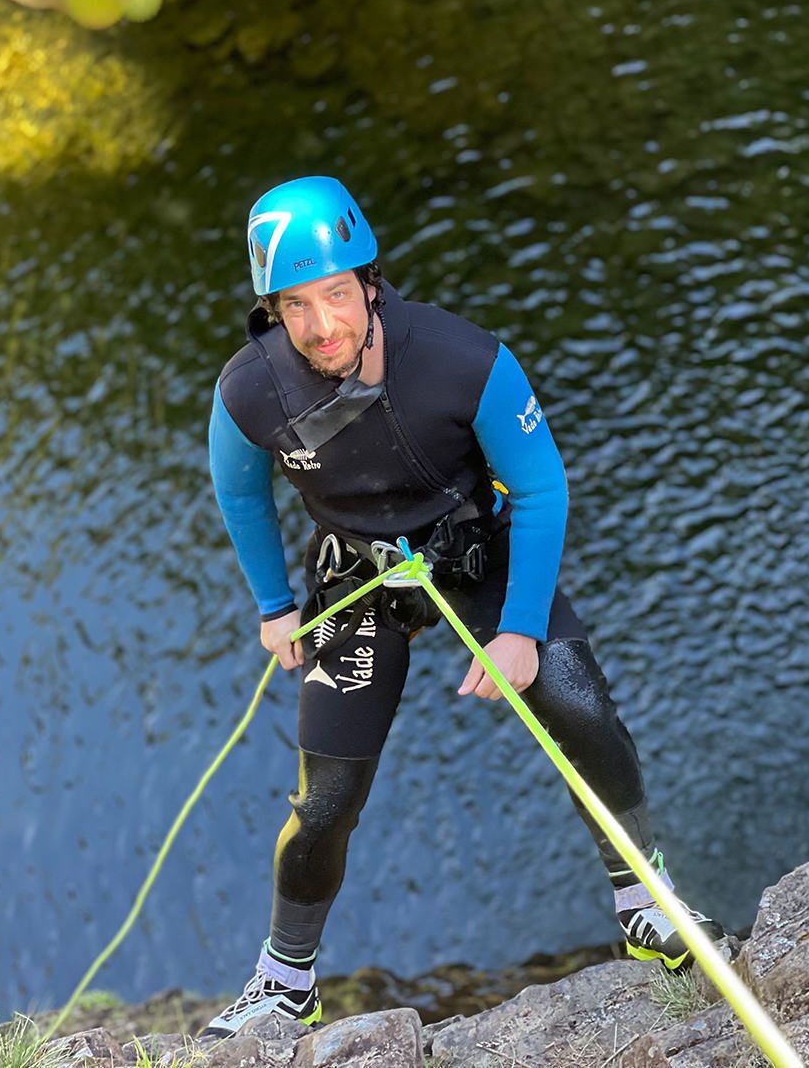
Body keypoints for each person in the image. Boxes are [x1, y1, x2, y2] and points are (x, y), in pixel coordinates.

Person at [205, 175, 723, 1038]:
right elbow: (241, 494)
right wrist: (274, 602)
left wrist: (519, 627)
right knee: (325, 798)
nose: (321, 325)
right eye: (294, 304)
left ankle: (643, 898)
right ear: (273, 309)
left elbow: (541, 486)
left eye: (336, 294)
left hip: (471, 549)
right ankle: (283, 979)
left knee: (576, 699)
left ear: (371, 283)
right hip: (358, 577)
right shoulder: (250, 391)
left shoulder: (464, 359)